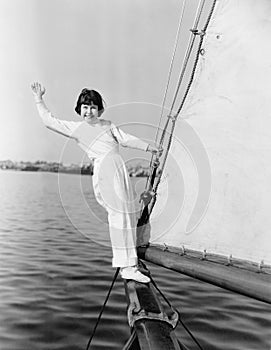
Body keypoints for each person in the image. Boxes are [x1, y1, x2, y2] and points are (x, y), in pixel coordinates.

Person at [31, 82, 161, 283]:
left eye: (92, 106)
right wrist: (39, 98)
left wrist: (147, 147)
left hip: (119, 169)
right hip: (105, 172)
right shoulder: (77, 128)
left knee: (126, 213)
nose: (88, 111)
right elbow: (49, 121)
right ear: (79, 109)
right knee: (118, 215)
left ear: (99, 109)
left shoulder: (108, 124)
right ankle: (125, 266)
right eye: (85, 107)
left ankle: (131, 262)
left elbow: (125, 139)